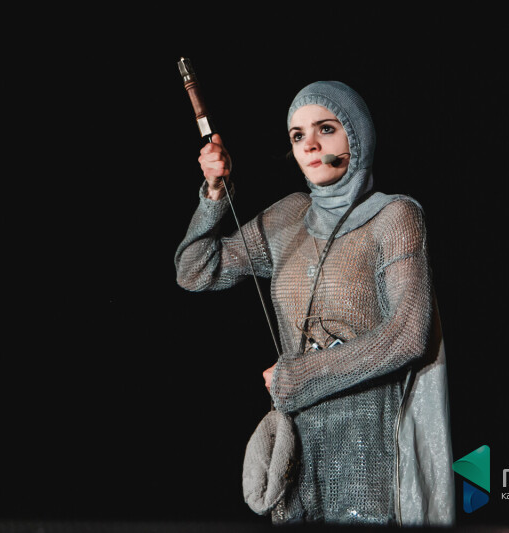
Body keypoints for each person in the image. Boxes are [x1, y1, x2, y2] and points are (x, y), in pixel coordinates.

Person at [175, 81, 454, 526]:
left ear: (357, 135)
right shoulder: (289, 216)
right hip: (298, 449)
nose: (310, 145)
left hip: (368, 447)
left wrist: (299, 375)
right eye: (297, 135)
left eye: (326, 128)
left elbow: (407, 335)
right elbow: (195, 271)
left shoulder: (395, 216)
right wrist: (213, 194)